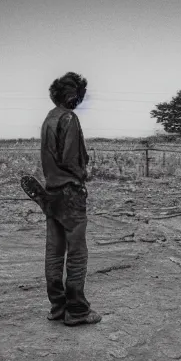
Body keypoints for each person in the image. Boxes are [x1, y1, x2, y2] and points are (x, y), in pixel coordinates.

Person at [38, 72, 102, 326]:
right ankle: (77, 310)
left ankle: (58, 307)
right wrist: (84, 173)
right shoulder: (69, 118)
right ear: (74, 95)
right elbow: (72, 159)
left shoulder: (48, 119)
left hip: (50, 192)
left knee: (54, 250)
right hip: (70, 193)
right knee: (77, 251)